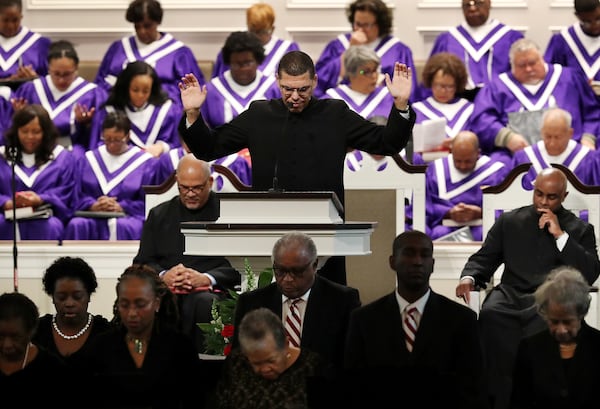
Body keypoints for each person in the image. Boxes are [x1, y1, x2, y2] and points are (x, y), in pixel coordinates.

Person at [179, 50, 414, 284]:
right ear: (277, 81)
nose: (294, 97)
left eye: (303, 89)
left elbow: (386, 143)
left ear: (315, 81)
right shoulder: (259, 115)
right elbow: (209, 148)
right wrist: (192, 113)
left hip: (326, 235)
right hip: (268, 233)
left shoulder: (335, 115)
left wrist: (401, 104)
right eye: (287, 89)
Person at [455, 167, 600, 409]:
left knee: (550, 320)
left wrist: (560, 236)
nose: (543, 201)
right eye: (539, 194)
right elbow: (484, 258)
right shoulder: (510, 221)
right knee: (491, 312)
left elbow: (589, 272)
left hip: (549, 300)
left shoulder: (579, 230)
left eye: (551, 197)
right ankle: (494, 398)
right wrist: (469, 278)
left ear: (563, 197)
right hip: (510, 295)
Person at [342, 230, 488, 408]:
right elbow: (353, 387)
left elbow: (473, 388)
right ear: (392, 262)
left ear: (432, 264)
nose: (418, 262)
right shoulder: (364, 320)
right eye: (409, 253)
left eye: (424, 255)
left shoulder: (462, 320)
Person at [133, 153, 241, 353]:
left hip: (210, 293)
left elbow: (240, 266)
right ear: (177, 182)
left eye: (197, 188)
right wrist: (165, 276)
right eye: (184, 188)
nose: (190, 194)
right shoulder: (159, 214)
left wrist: (206, 278)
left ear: (210, 182)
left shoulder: (228, 214)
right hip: (168, 291)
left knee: (205, 303)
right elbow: (142, 262)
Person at [232, 231, 361, 373]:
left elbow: (351, 361)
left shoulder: (342, 300)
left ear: (314, 265)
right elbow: (239, 360)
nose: (287, 279)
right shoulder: (252, 302)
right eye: (280, 271)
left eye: (297, 271)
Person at [82, 264, 201, 409]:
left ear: (157, 303)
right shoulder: (101, 347)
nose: (132, 313)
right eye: (125, 305)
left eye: (140, 304)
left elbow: (194, 400)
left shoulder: (180, 347)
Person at [470, 38, 600, 166]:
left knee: (592, 160)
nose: (528, 69)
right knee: (497, 166)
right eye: (521, 65)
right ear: (512, 66)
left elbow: (592, 112)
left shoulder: (569, 78)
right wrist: (507, 138)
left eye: (533, 63)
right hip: (516, 155)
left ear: (542, 59)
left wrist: (588, 138)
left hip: (571, 150)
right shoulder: (497, 88)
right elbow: (482, 119)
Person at [511, 265, 600, 408]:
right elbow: (519, 401)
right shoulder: (529, 348)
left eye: (567, 322)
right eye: (554, 321)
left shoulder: (597, 346)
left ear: (581, 314)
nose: (561, 330)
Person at [63, 110, 155, 241]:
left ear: (127, 136)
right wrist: (92, 204)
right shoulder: (89, 159)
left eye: (117, 140)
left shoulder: (145, 162)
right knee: (77, 224)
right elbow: (76, 195)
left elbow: (148, 201)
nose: (111, 144)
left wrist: (122, 206)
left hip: (128, 216)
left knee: (127, 226)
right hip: (91, 214)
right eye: (107, 139)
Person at [94, 0, 204, 107]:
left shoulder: (179, 53)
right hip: (119, 113)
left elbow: (192, 90)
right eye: (137, 26)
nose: (142, 31)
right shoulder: (118, 48)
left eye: (147, 26)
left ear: (157, 22)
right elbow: (100, 84)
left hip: (162, 114)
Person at [12, 40, 108, 158]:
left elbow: (98, 135)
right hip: (32, 148)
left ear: (76, 68)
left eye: (67, 74)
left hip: (70, 149)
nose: (61, 80)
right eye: (56, 74)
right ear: (48, 68)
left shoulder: (93, 94)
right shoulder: (31, 89)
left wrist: (85, 124)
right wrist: (20, 116)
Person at [215, 307, 325, 409]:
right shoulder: (237, 362)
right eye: (256, 363)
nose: (265, 369)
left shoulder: (313, 367)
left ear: (286, 345)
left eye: (271, 360)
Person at [0, 104, 76, 240]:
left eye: (36, 132)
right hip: (6, 215)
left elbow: (66, 192)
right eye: (24, 131)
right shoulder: (2, 156)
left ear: (45, 132)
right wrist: (6, 203)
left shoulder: (61, 158)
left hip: (45, 216)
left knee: (51, 226)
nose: (30, 137)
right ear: (16, 131)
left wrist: (40, 199)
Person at [313, 0, 418, 99]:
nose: (360, 29)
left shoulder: (398, 51)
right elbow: (318, 83)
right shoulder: (337, 46)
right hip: (342, 106)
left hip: (382, 108)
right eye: (357, 24)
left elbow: (407, 90)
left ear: (380, 25)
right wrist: (350, 51)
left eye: (366, 25)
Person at [427, 0, 523, 100]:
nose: (472, 8)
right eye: (467, 5)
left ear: (489, 4)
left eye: (478, 3)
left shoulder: (511, 38)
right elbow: (432, 81)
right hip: (456, 103)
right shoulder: (447, 40)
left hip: (500, 102)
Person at [425, 131, 507, 241]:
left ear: (478, 153)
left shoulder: (496, 172)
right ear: (451, 152)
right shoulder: (436, 169)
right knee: (438, 233)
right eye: (457, 161)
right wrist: (448, 212)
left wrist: (481, 212)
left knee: (486, 235)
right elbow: (426, 203)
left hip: (481, 226)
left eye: (468, 161)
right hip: (444, 225)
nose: (462, 166)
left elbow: (504, 208)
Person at [32, 256, 112, 368]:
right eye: (61, 297)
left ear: (89, 296)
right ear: (53, 297)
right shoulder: (37, 331)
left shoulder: (105, 333)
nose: (69, 303)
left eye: (77, 297)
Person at [90, 60, 181, 157]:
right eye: (135, 90)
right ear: (126, 87)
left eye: (146, 91)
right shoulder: (109, 111)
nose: (140, 95)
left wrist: (162, 147)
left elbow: (177, 145)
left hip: (157, 164)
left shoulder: (167, 110)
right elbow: (97, 146)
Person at [0, 292, 73, 408]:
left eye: (15, 337)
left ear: (31, 332)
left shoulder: (53, 371)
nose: (6, 345)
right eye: (1, 336)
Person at [202, 31, 280, 130]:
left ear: (258, 61)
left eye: (247, 63)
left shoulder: (273, 88)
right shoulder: (212, 90)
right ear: (228, 62)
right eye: (236, 64)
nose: (242, 69)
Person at [512, 107, 595, 188]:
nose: (552, 143)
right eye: (548, 136)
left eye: (557, 137)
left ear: (570, 133)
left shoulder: (588, 160)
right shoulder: (524, 158)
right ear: (541, 132)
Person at [212, 2, 301, 78]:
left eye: (262, 32)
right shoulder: (234, 51)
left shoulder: (288, 50)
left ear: (272, 29)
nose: (257, 37)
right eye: (253, 31)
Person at [412, 52, 475, 156]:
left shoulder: (470, 110)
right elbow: (412, 152)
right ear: (430, 82)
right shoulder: (417, 110)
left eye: (449, 86)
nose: (443, 91)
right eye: (438, 85)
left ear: (457, 85)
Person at [544, 0, 600, 99]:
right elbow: (551, 74)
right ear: (577, 16)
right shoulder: (563, 40)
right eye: (587, 22)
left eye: (599, 19)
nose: (595, 25)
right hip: (575, 101)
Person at [0, 0, 51, 86]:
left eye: (15, 20)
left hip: (29, 96)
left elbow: (53, 82)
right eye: (5, 20)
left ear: (21, 17)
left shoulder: (40, 44)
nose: (10, 26)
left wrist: (35, 78)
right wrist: (9, 81)